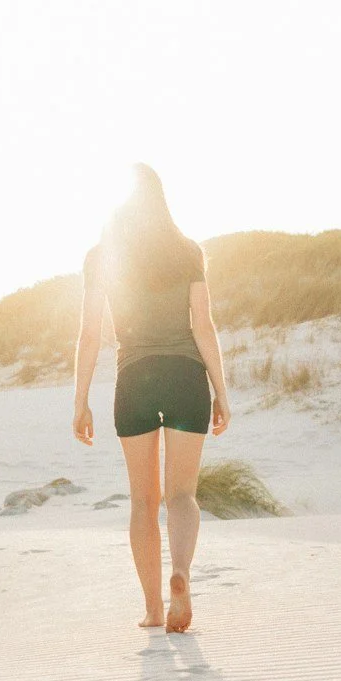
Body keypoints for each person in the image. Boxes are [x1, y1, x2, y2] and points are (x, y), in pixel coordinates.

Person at [73, 165, 231, 633]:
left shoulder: (101, 256)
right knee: (182, 495)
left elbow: (89, 332)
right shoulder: (187, 252)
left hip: (135, 379)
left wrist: (81, 400)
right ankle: (180, 572)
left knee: (143, 501)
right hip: (186, 379)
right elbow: (203, 326)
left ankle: (153, 609)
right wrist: (221, 390)